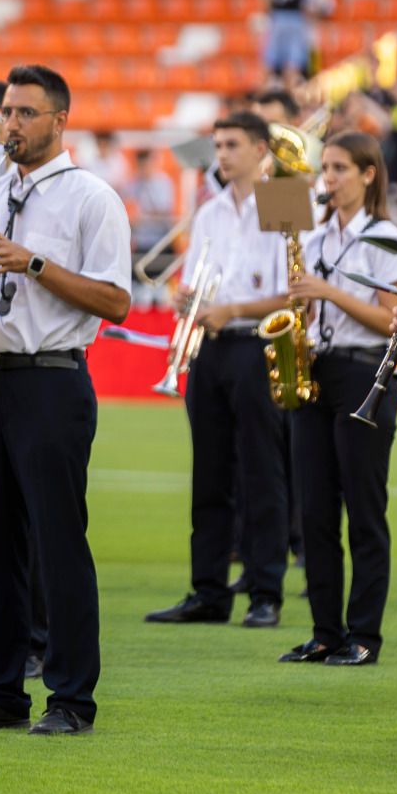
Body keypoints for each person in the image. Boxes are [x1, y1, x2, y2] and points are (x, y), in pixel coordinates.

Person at [0, 64, 131, 736]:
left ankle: (72, 698)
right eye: (6, 114)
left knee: (57, 544)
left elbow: (116, 299)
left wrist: (31, 263)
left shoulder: (91, 197)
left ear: (60, 120)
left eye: (26, 113)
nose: (11, 125)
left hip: (51, 379)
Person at [146, 111, 290, 629]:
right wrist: (191, 296)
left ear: (260, 149)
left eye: (232, 145)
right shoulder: (208, 211)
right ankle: (207, 589)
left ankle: (265, 590)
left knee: (262, 472)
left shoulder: (285, 197)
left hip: (257, 346)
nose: (222, 154)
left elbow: (296, 294)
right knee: (209, 471)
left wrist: (232, 309)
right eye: (218, 145)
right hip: (210, 346)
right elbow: (200, 277)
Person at [278, 133, 397, 666]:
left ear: (368, 174)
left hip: (365, 374)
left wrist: (328, 292)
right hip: (318, 372)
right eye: (324, 168)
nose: (327, 178)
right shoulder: (317, 233)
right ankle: (326, 631)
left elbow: (391, 319)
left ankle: (365, 635)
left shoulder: (385, 236)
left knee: (364, 509)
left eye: (338, 168)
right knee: (314, 511)